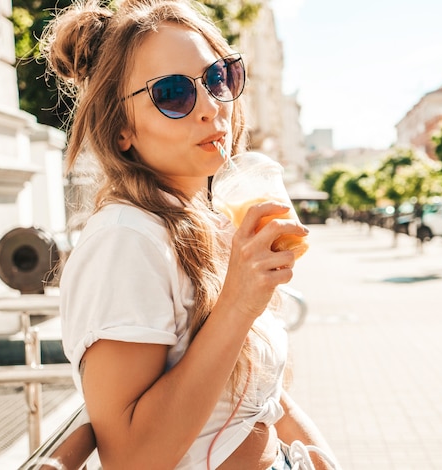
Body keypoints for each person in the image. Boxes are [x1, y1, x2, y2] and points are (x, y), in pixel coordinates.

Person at [43, 1, 339, 469]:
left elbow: (266, 401)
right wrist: (240, 302)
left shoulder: (204, 222)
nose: (210, 107)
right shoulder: (127, 240)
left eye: (219, 78)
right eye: (174, 93)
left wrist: (325, 457)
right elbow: (132, 458)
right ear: (122, 130)